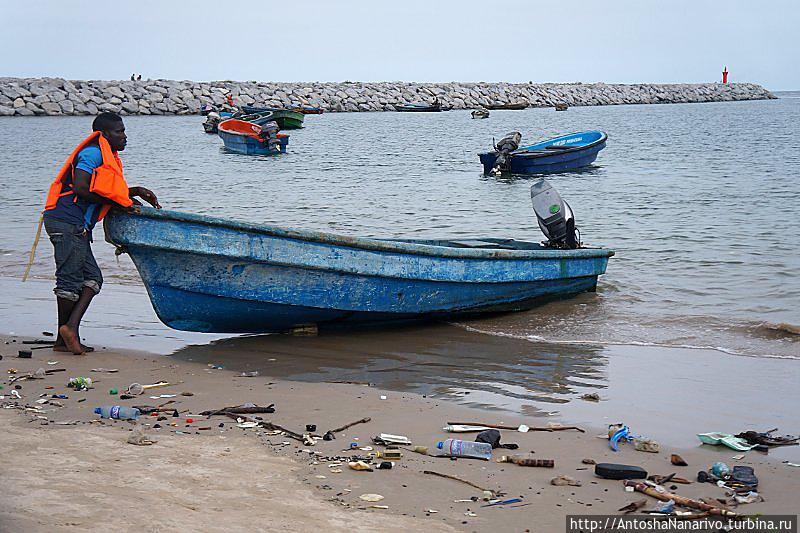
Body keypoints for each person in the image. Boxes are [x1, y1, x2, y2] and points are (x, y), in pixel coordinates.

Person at [42, 112, 161, 354]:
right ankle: (66, 333)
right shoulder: (93, 153)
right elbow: (82, 188)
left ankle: (66, 335)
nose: (124, 136)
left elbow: (102, 190)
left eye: (124, 131)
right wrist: (121, 205)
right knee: (70, 281)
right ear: (104, 134)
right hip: (67, 222)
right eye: (119, 132)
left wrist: (134, 192)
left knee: (92, 279)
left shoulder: (105, 154)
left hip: (74, 225)